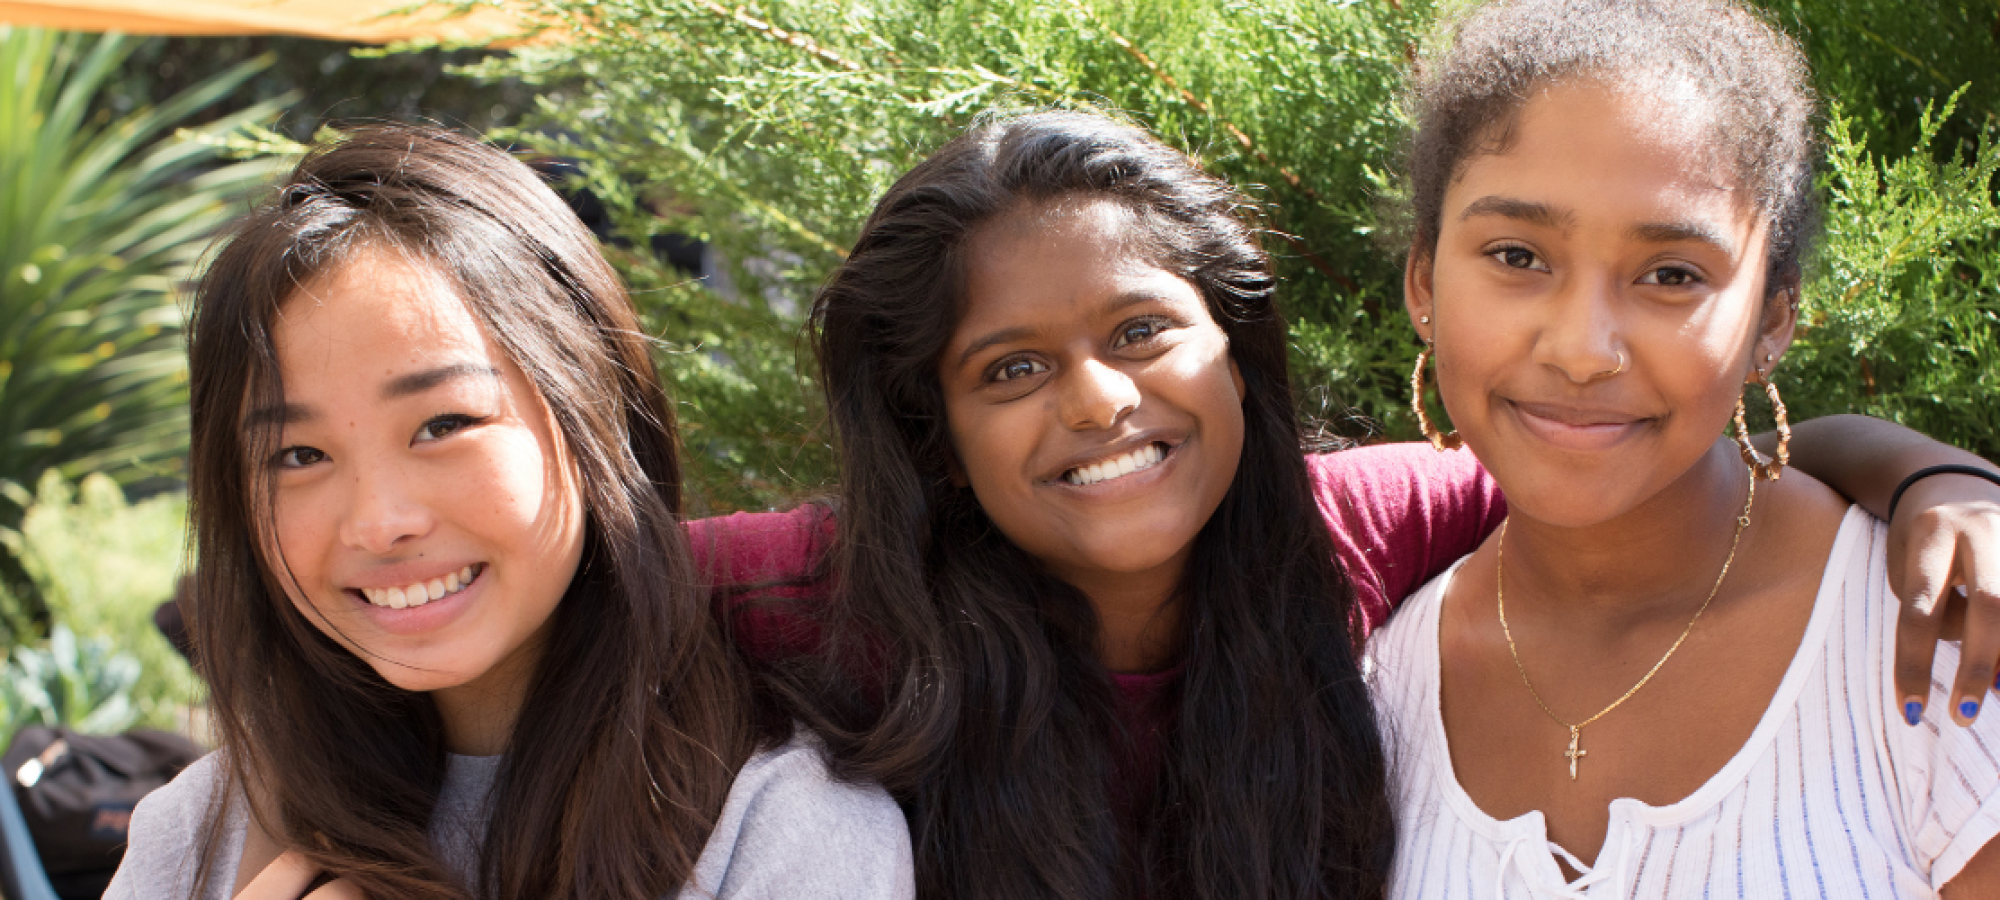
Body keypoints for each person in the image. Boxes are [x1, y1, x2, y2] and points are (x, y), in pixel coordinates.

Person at [697, 108, 2000, 899]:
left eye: (1144, 330)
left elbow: (1634, 458)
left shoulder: (1353, 528)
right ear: (940, 426)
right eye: (1013, 369)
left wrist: (1931, 474)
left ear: (1236, 351)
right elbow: (553, 564)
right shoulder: (815, 592)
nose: (1096, 402)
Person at [106, 126, 914, 899]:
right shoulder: (195, 834)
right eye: (299, 456)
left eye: (443, 425)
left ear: (597, 412)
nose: (379, 522)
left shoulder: (782, 829)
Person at [1368, 0, 2000, 895]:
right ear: (1425, 284)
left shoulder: (1938, 641)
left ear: (1771, 321)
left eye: (1671, 275)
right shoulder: (1377, 685)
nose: (1583, 349)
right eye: (1516, 255)